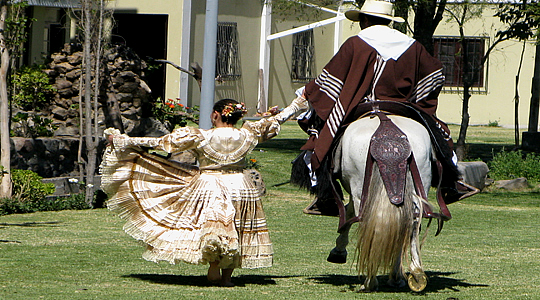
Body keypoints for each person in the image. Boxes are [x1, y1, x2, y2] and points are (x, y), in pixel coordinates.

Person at [100, 97, 307, 287]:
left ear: (216, 114)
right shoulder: (248, 133)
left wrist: (125, 141)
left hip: (209, 183)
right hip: (241, 186)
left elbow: (162, 142)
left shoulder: (201, 136)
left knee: (215, 226)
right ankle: (226, 278)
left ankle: (214, 265)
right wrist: (297, 104)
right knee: (238, 228)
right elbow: (278, 119)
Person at [293, 0, 474, 215]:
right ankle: (450, 185)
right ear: (388, 20)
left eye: (361, 20)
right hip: (403, 108)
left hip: (362, 110)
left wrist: (308, 91)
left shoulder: (355, 44)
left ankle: (327, 196)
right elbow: (435, 74)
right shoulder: (412, 45)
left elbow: (330, 81)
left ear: (366, 20)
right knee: (439, 140)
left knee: (325, 143)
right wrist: (414, 99)